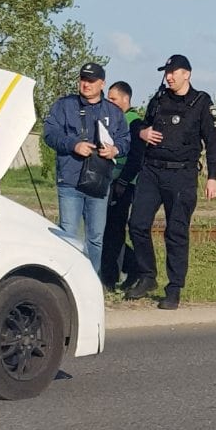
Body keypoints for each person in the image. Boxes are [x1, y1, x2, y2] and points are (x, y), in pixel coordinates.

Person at [124, 54, 216, 310]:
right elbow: (141, 126)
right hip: (152, 171)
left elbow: (213, 143)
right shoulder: (158, 99)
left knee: (175, 232)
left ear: (186, 74)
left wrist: (213, 177)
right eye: (166, 72)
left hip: (182, 175)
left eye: (173, 72)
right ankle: (147, 276)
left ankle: (174, 287)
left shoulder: (201, 102)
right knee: (137, 224)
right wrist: (142, 132)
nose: (168, 76)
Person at [43, 63, 129, 277]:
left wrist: (114, 150)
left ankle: (92, 282)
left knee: (95, 237)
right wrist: (73, 145)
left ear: (102, 83)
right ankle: (67, 281)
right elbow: (50, 135)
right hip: (70, 181)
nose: (86, 84)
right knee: (68, 235)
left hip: (99, 182)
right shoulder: (64, 106)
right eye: (83, 79)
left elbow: (125, 141)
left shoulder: (114, 112)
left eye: (91, 81)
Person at [100, 81, 144, 289]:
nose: (109, 102)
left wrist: (123, 182)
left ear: (126, 99)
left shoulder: (134, 122)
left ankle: (118, 274)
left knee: (115, 230)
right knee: (107, 229)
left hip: (124, 184)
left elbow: (136, 158)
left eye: (113, 99)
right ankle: (122, 269)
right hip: (110, 180)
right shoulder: (116, 119)